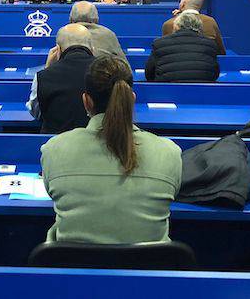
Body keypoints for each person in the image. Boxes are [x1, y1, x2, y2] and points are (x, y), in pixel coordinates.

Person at [40, 55, 182, 243]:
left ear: (86, 101)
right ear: (131, 99)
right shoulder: (169, 153)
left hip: (73, 268)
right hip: (148, 267)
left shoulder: (53, 150)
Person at [26, 24, 95, 133]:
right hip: (99, 143)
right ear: (92, 49)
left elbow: (36, 113)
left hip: (54, 144)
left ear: (57, 50)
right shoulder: (107, 72)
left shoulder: (43, 76)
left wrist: (47, 68)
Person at [145, 12, 219, 82]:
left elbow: (149, 73)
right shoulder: (210, 44)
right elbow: (215, 73)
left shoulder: (159, 43)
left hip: (167, 91)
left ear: (176, 26)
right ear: (199, 27)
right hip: (204, 91)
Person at [162, 0, 226, 55]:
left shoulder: (169, 24)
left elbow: (164, 50)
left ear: (182, 4)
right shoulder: (211, 22)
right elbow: (221, 52)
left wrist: (178, 16)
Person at [68, 1, 129, 66]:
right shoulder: (108, 34)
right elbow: (124, 65)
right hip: (103, 74)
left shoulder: (65, 33)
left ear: (71, 18)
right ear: (96, 17)